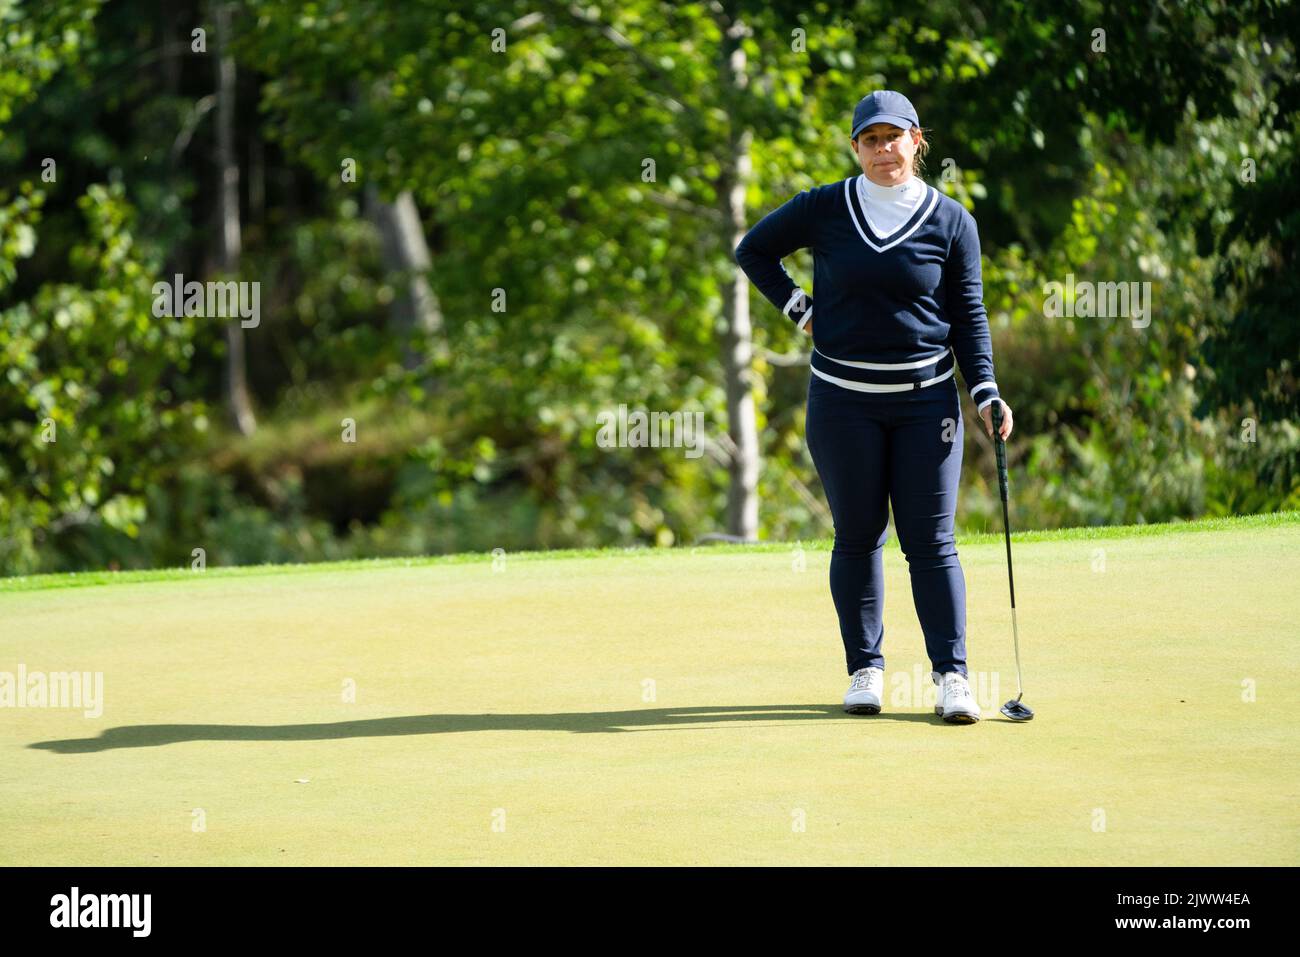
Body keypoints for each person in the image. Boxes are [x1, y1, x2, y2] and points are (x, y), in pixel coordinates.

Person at [733, 90, 1014, 724]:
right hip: (842, 403)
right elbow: (754, 250)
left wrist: (986, 390)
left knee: (931, 542)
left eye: (895, 137)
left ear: (918, 141)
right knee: (857, 537)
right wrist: (800, 308)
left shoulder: (952, 222)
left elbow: (969, 316)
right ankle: (865, 670)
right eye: (871, 139)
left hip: (927, 405)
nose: (884, 149)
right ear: (855, 147)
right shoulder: (825, 207)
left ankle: (952, 679)